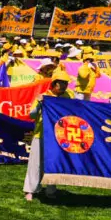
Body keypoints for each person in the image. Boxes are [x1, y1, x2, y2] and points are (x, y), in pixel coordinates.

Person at [24, 69, 76, 201]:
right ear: (54, 84)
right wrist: (40, 105)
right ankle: (30, 190)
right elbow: (31, 115)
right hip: (40, 134)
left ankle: (51, 190)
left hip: (58, 136)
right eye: (62, 83)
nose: (64, 86)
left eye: (66, 83)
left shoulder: (68, 97)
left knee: (53, 163)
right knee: (36, 163)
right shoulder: (43, 97)